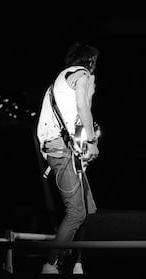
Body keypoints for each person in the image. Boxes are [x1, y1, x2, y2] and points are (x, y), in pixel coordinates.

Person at [36, 42, 100, 274]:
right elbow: (83, 107)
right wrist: (91, 143)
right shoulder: (82, 74)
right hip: (60, 149)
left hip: (65, 147)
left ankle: (77, 263)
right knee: (76, 212)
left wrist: (83, 147)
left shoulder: (62, 82)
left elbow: (73, 120)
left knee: (89, 211)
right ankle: (50, 265)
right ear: (90, 62)